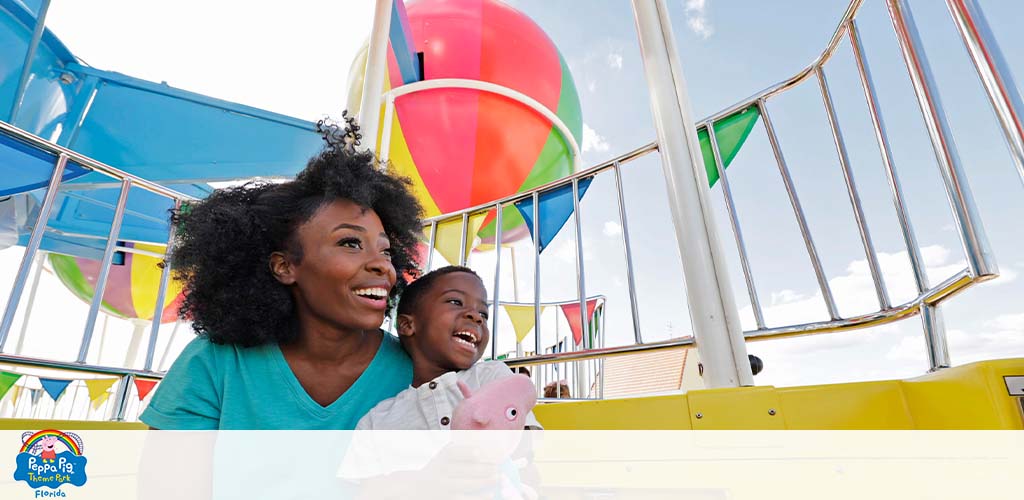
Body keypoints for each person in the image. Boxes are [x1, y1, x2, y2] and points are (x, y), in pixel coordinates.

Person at [140, 120, 424, 430]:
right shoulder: (216, 362)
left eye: (385, 251)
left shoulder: (416, 371)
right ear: (284, 266)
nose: (383, 266)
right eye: (350, 243)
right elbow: (167, 478)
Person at [355, 266, 541, 430]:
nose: (476, 317)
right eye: (455, 302)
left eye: (484, 314)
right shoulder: (377, 421)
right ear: (407, 325)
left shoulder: (491, 375)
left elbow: (524, 447)